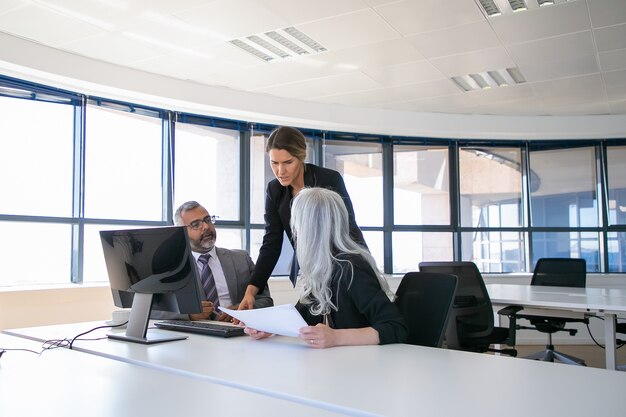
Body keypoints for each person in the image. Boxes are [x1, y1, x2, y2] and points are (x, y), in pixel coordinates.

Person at [245, 187, 407, 348]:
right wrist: (270, 328)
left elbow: (395, 327)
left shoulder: (351, 268)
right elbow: (300, 318)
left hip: (363, 366)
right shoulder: (322, 268)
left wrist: (336, 337)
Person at [238, 126, 366, 311]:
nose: (280, 171)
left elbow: (348, 228)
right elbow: (271, 243)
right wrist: (251, 291)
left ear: (301, 156)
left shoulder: (328, 179)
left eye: (288, 162)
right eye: (274, 163)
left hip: (343, 264)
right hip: (312, 270)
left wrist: (363, 269)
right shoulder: (274, 190)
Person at [156, 201, 273, 321]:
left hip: (237, 332)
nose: (206, 227)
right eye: (196, 224)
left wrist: (242, 309)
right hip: (195, 336)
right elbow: (151, 310)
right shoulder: (169, 267)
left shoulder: (241, 259)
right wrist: (188, 315)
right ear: (182, 232)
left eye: (207, 220)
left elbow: (266, 301)